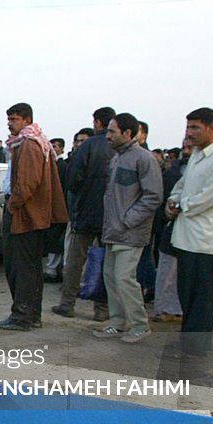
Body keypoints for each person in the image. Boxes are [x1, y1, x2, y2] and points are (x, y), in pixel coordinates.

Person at [165, 107, 213, 360]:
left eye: (195, 128)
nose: (189, 133)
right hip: (186, 237)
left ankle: (196, 349)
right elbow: (181, 185)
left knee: (202, 298)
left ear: (211, 128)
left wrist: (184, 205)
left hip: (207, 241)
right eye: (188, 128)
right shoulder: (197, 156)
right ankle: (189, 342)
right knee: (187, 293)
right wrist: (174, 200)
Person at [0, 103, 67, 331]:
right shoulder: (29, 143)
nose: (9, 123)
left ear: (26, 120)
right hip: (28, 215)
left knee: (21, 267)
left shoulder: (29, 145)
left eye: (14, 119)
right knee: (30, 268)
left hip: (25, 217)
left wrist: (12, 205)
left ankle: (22, 316)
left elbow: (26, 184)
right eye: (9, 119)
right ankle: (30, 314)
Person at [93, 113, 162, 343]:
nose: (108, 136)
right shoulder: (116, 158)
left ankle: (140, 325)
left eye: (112, 131)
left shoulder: (144, 159)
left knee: (125, 279)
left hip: (130, 233)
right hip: (112, 232)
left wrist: (128, 220)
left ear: (128, 133)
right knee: (111, 277)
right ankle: (117, 323)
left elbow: (153, 197)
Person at [52, 107, 115, 321]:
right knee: (107, 263)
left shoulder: (87, 146)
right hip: (111, 216)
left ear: (97, 122)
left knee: (75, 262)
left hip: (85, 213)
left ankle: (67, 304)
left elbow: (73, 180)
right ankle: (101, 310)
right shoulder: (118, 148)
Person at [152, 138, 193, 321]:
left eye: (190, 147)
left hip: (193, 230)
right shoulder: (176, 170)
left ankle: (179, 309)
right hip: (170, 226)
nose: (187, 150)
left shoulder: (201, 169)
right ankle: (164, 308)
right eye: (184, 147)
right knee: (166, 270)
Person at [43, 138, 68, 283]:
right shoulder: (52, 164)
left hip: (58, 209)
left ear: (61, 149)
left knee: (56, 241)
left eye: (54, 146)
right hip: (52, 209)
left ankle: (53, 270)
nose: (52, 149)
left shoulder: (62, 166)